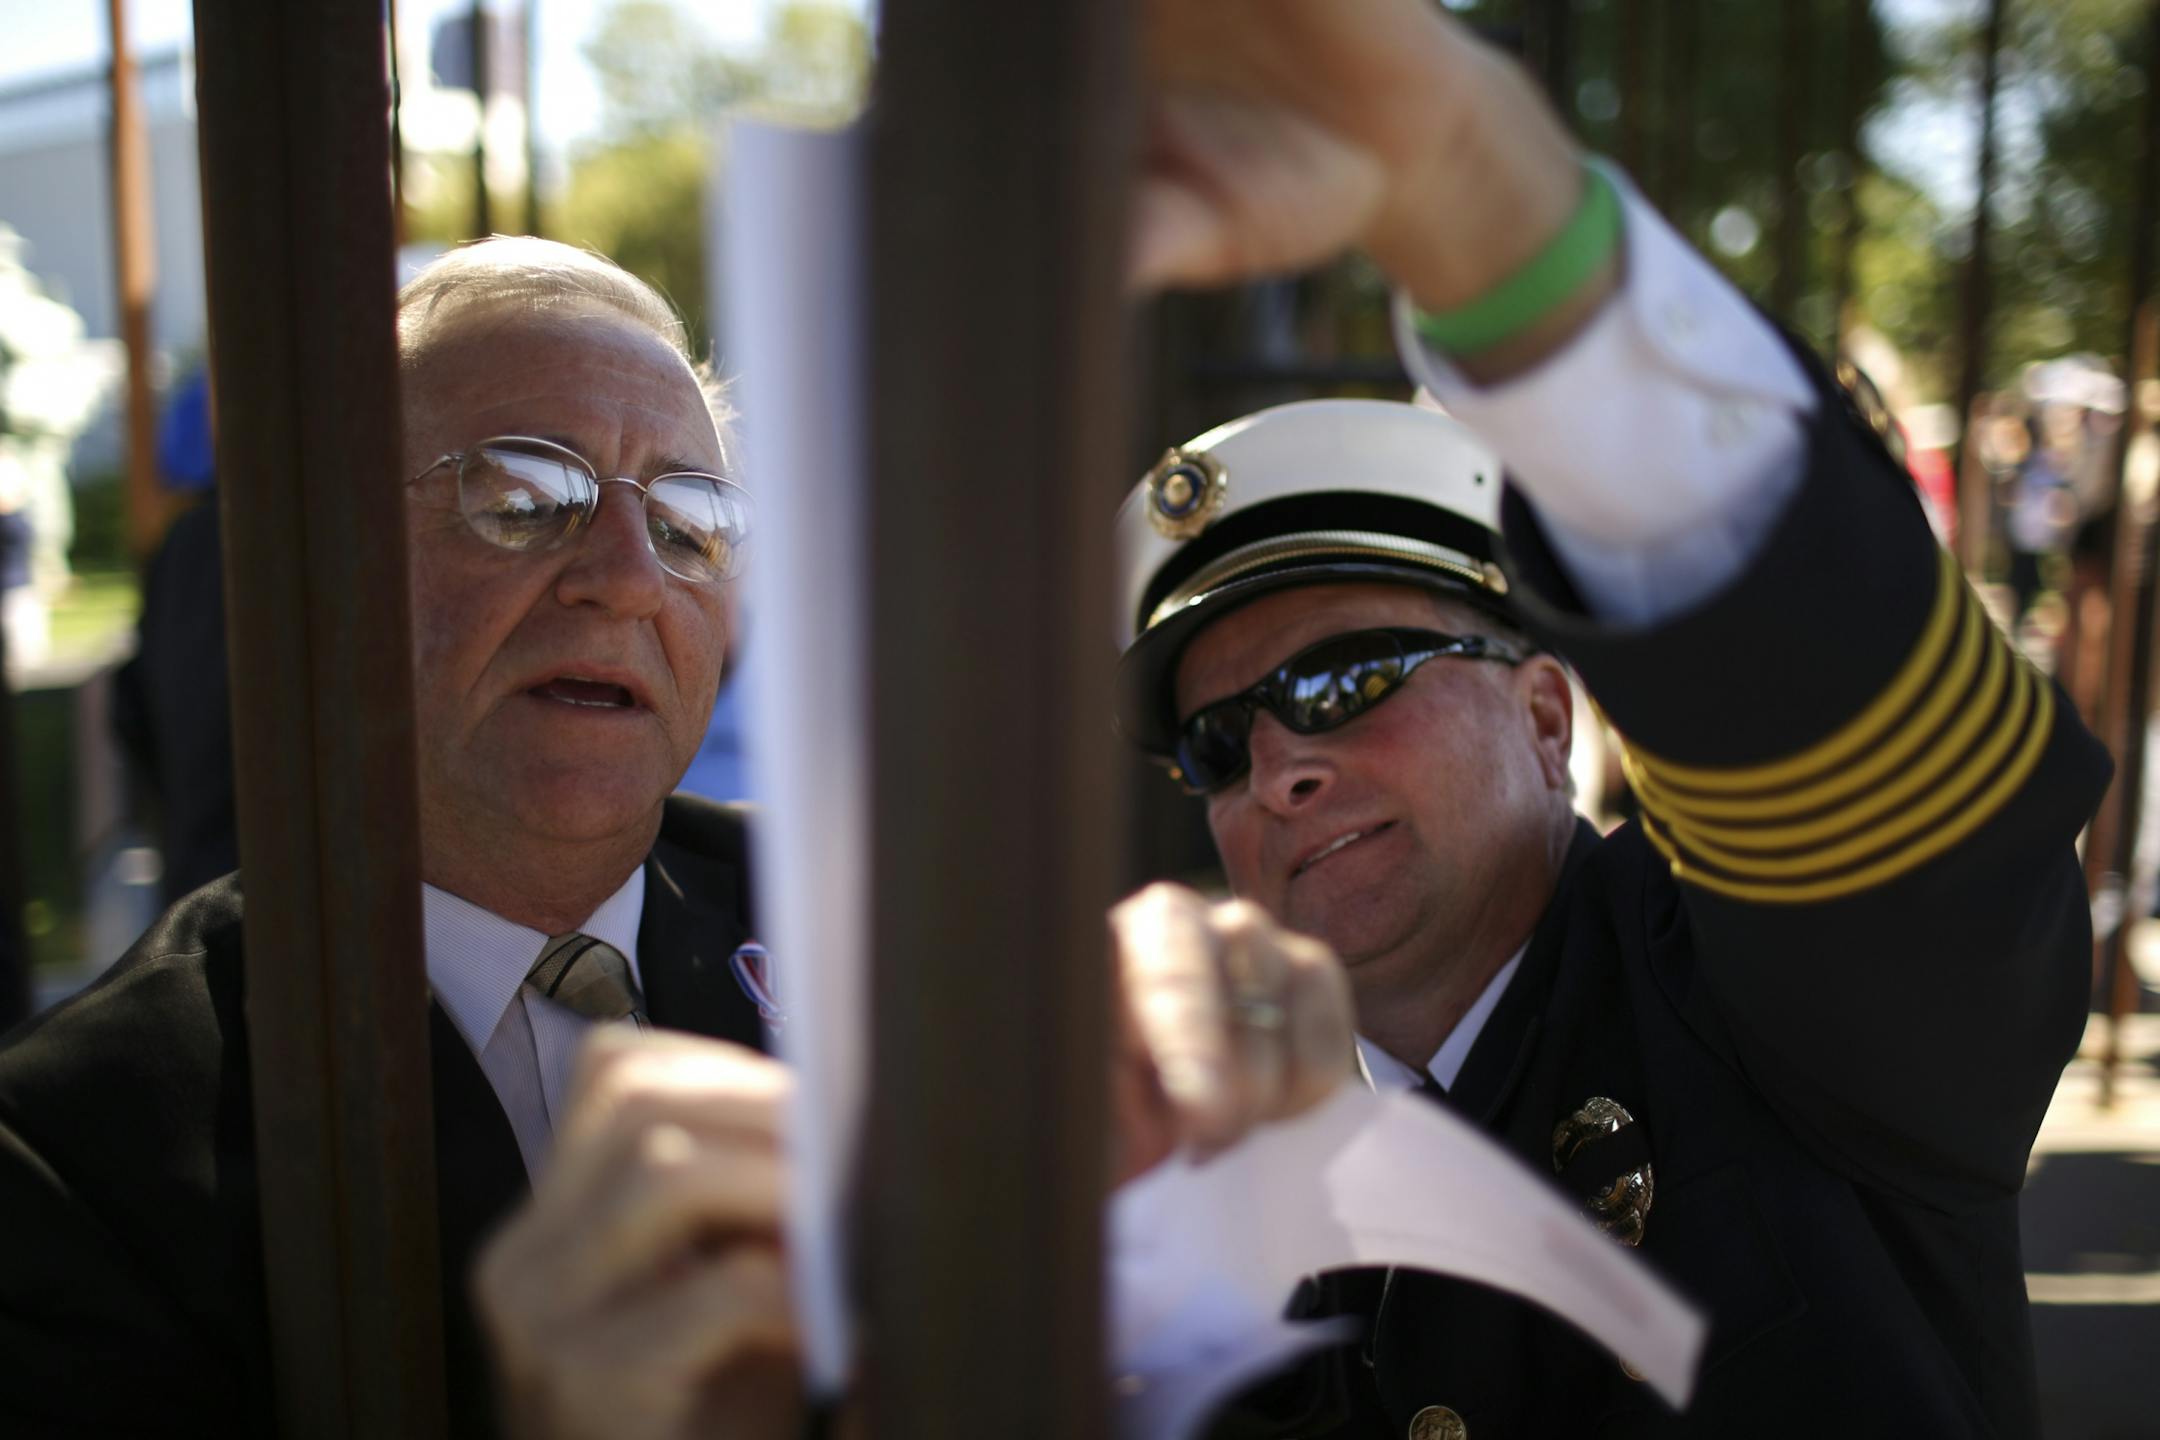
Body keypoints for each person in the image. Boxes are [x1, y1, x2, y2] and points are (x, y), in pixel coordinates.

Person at [473, 3, 2110, 1438]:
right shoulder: (1161, 1172)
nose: (1281, 762)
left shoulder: (1784, 1017)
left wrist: (1480, 188)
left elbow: (1848, 724)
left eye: (1345, 679)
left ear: (1548, 711)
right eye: (1219, 740)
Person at [0, 238, 772, 1437]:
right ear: (325, 560)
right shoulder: (82, 1157)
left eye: (689, 522)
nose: (627, 577)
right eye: (525, 496)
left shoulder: (872, 946)